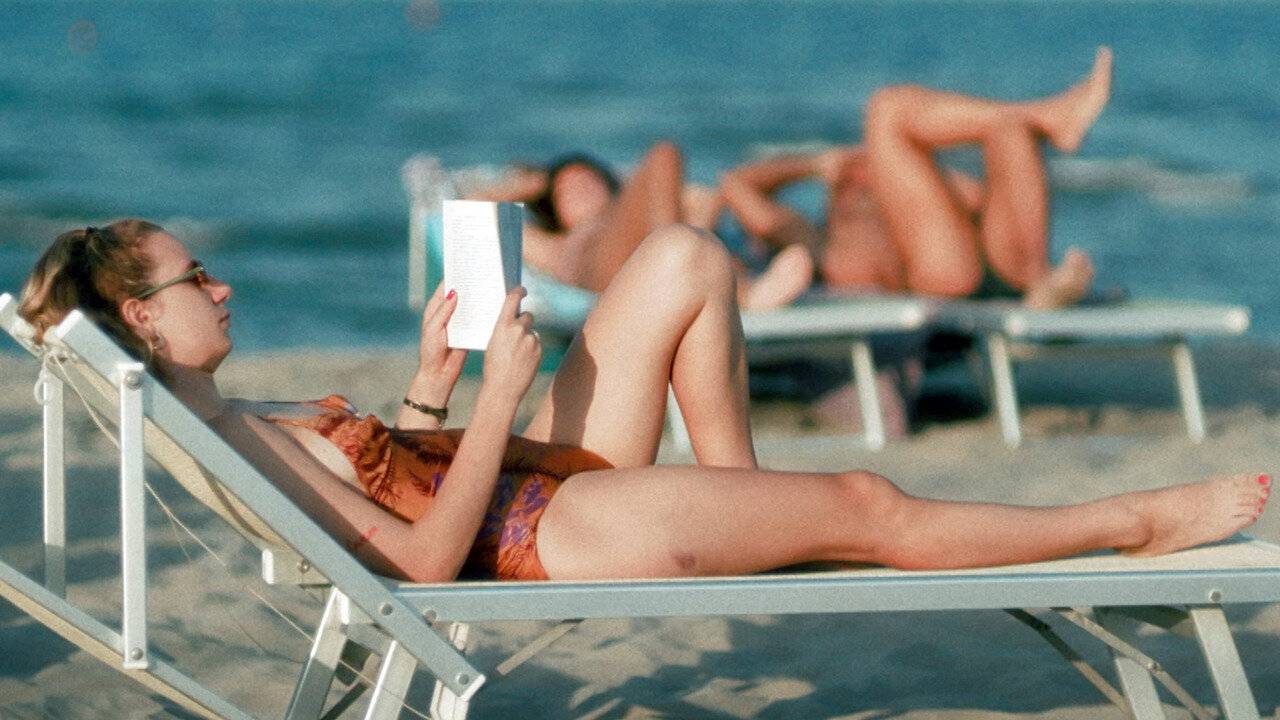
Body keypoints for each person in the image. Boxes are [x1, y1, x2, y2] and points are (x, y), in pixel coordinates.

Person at [18, 219, 1270, 582]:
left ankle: (748, 507)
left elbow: (382, 489)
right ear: (141, 318)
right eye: (196, 279)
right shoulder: (226, 437)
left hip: (508, 485)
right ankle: (1129, 523)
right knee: (866, 501)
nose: (222, 287)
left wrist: (432, 387)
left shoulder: (219, 416)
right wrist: (500, 403)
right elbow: (425, 560)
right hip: (537, 531)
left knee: (679, 255)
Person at [718, 47, 1115, 309]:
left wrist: (925, 174)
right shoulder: (818, 237)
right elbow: (736, 185)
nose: (863, 171)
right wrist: (819, 164)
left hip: (1007, 266)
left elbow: (991, 199)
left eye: (871, 163)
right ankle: (1050, 117)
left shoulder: (918, 197)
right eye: (852, 176)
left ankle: (1042, 286)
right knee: (887, 109)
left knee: (1009, 130)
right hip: (944, 278)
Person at [467, 143, 815, 310]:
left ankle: (728, 285)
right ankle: (744, 294)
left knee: (668, 166)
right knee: (663, 156)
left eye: (588, 181)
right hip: (604, 270)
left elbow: (705, 199)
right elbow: (474, 210)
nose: (580, 189)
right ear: (553, 210)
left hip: (651, 255)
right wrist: (538, 183)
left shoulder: (637, 216)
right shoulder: (554, 244)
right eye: (566, 191)